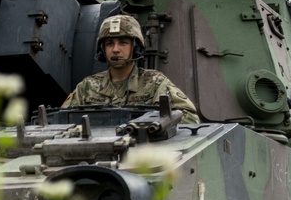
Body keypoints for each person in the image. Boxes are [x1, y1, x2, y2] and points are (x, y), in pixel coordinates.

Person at [62, 14, 199, 123]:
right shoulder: (88, 86)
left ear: (135, 47)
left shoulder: (154, 83)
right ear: (102, 49)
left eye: (123, 43)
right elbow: (60, 120)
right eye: (109, 44)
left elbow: (190, 118)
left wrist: (154, 125)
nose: (115, 50)